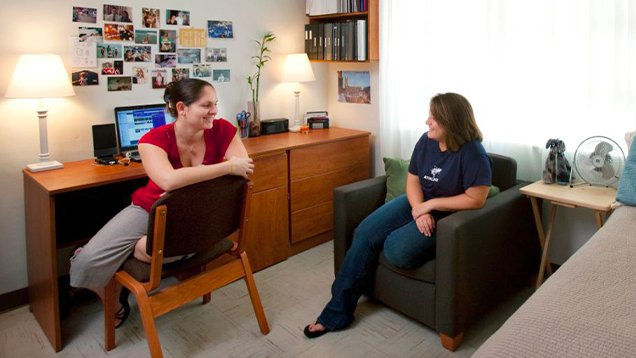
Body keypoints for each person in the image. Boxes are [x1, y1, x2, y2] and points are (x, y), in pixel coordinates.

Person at [303, 92, 492, 338]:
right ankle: (337, 313)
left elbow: (476, 199)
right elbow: (413, 181)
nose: (427, 122)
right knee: (364, 232)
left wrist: (431, 206)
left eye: (433, 118)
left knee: (395, 249)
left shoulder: (474, 153)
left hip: (449, 217)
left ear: (451, 121)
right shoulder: (426, 141)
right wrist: (418, 209)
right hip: (418, 203)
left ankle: (410, 230)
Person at [69, 79, 254, 328]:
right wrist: (227, 166)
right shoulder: (152, 140)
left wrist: (227, 168)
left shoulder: (223, 130)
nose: (215, 111)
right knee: (86, 261)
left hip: (193, 213)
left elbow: (244, 170)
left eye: (216, 104)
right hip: (151, 206)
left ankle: (121, 252)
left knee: (145, 249)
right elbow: (168, 181)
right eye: (207, 105)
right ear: (181, 108)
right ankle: (109, 294)